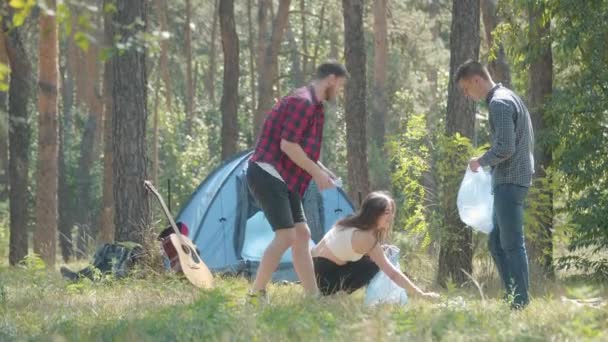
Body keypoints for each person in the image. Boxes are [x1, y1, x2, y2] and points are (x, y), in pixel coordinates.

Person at [246, 62, 348, 299]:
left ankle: (313, 297)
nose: (339, 91)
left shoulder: (315, 107)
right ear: (332, 79)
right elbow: (288, 146)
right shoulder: (303, 102)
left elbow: (301, 149)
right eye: (340, 86)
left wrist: (323, 170)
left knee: (302, 234)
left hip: (285, 177)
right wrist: (317, 174)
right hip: (267, 171)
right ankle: (255, 294)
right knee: (286, 235)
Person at [455, 60, 535, 309]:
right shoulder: (508, 96)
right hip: (511, 179)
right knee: (496, 242)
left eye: (466, 89)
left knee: (511, 243)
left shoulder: (499, 103)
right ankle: (513, 295)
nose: (467, 96)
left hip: (511, 180)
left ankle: (520, 302)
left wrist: (480, 161)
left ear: (477, 80)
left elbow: (506, 147)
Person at [312, 191, 439, 299]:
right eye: (387, 212)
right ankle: (335, 297)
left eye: (392, 212)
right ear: (374, 214)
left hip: (314, 274)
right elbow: (392, 273)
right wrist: (421, 294)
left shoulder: (351, 223)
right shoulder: (367, 238)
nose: (391, 217)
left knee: (372, 259)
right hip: (326, 280)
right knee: (373, 265)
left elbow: (343, 250)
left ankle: (331, 295)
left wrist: (378, 251)